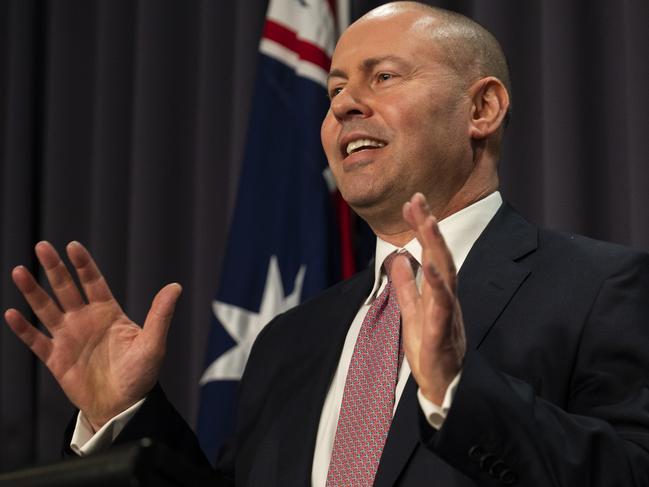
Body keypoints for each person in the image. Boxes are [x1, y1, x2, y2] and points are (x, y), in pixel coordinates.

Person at [5, 2, 649, 486]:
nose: (344, 106)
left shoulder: (601, 289)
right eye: (336, 88)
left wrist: (458, 391)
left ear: (481, 109)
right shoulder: (289, 343)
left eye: (384, 77)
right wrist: (126, 414)